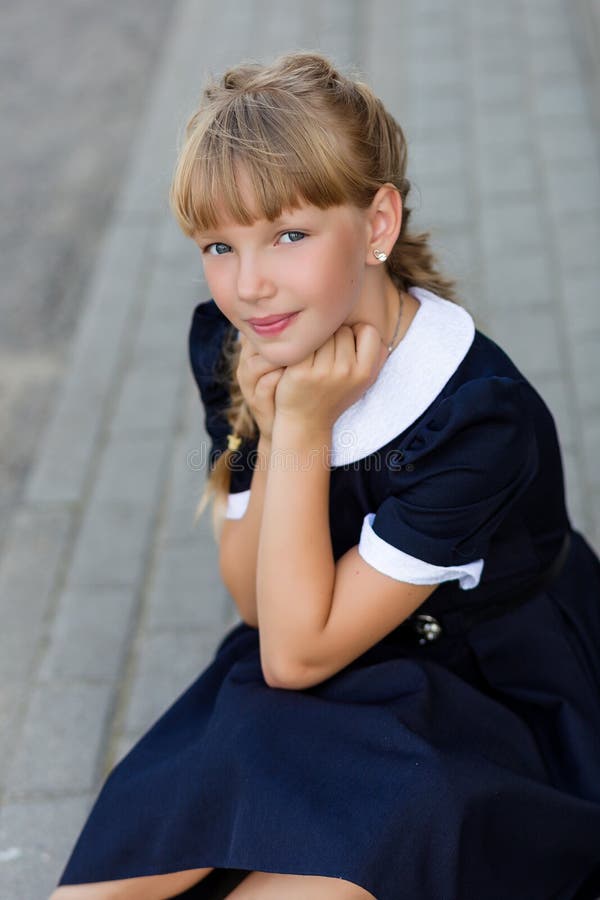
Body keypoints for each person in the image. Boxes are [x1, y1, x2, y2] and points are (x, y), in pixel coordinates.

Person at [50, 51, 600, 900]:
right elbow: (258, 607)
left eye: (290, 235)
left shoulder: (474, 417)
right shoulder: (242, 344)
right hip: (317, 641)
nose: (249, 284)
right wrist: (272, 427)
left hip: (479, 690)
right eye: (219, 246)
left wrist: (303, 429)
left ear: (377, 225)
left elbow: (294, 658)